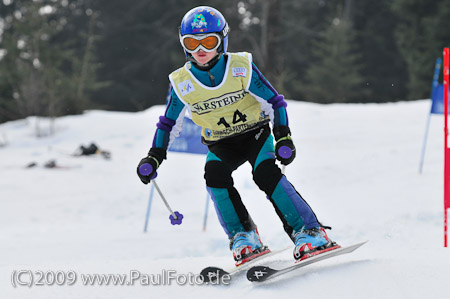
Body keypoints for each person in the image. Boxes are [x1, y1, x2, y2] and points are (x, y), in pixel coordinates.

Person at [137, 6, 339, 266]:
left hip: (255, 135)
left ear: (222, 40)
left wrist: (283, 137)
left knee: (266, 173)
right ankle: (244, 236)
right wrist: (154, 157)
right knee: (214, 176)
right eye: (191, 42)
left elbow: (274, 103)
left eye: (209, 41)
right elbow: (168, 124)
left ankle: (310, 231)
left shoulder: (240, 67)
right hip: (221, 143)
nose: (200, 49)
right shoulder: (182, 82)